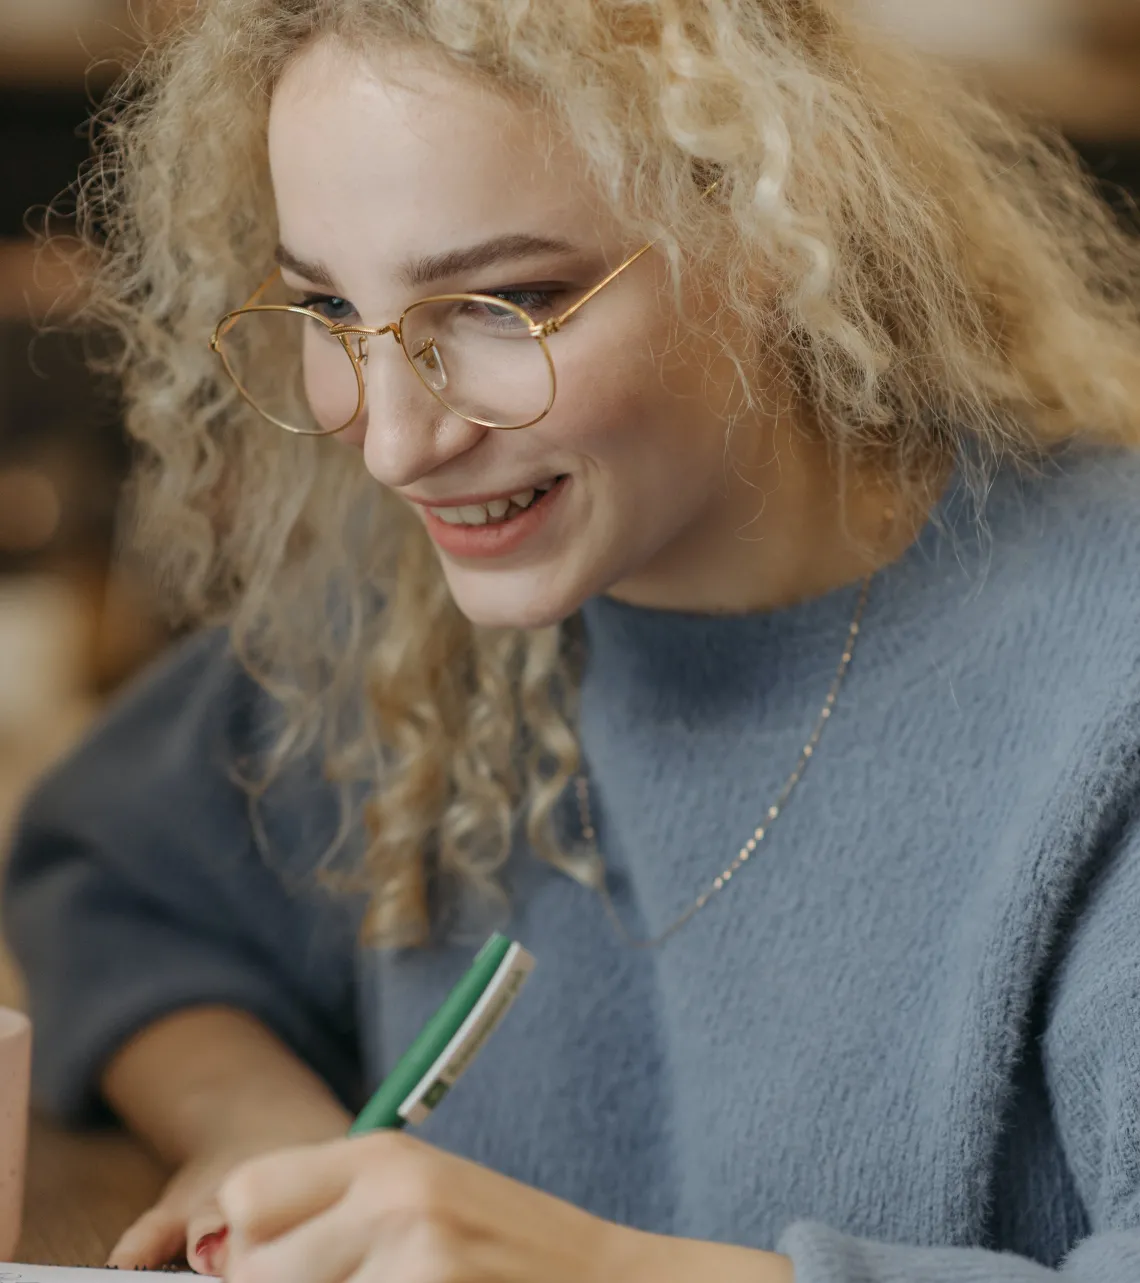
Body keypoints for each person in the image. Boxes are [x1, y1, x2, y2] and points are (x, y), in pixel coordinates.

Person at [5, 1, 1140, 1281]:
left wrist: (593, 1270)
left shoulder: (1104, 670)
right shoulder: (420, 613)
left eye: (503, 303)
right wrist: (260, 1129)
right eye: (327, 305)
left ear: (772, 223)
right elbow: (109, 873)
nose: (393, 442)